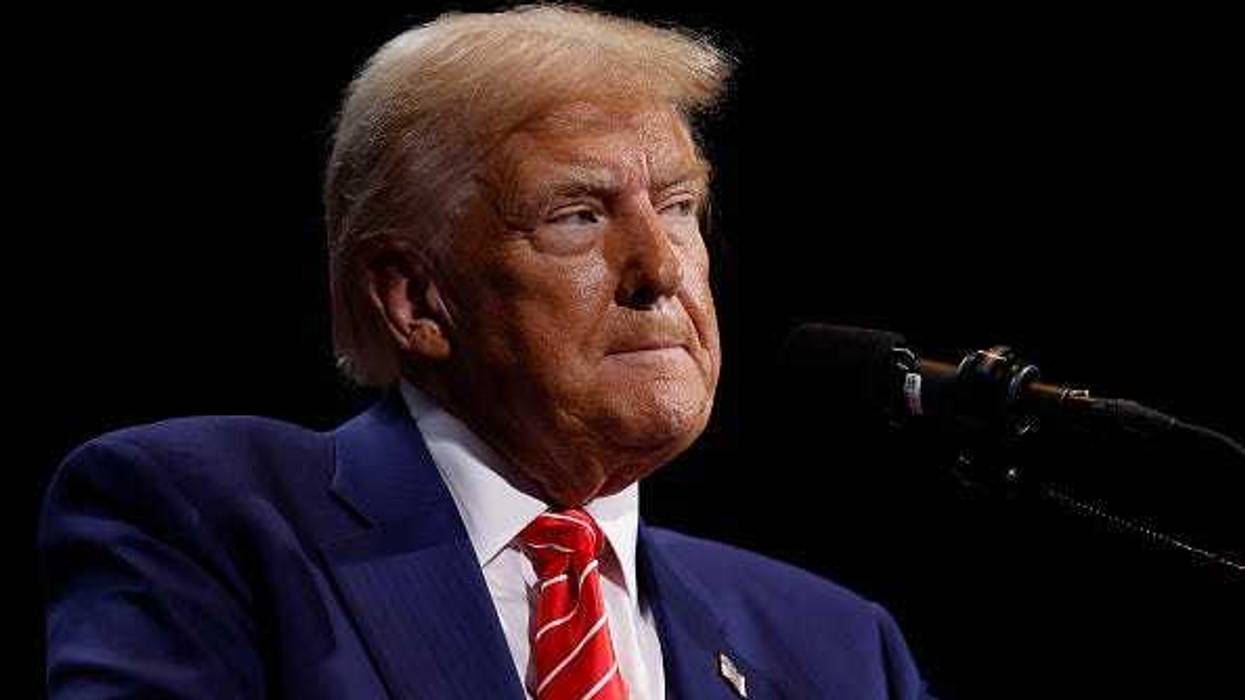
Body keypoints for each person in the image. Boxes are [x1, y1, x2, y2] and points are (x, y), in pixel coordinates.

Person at [39, 6, 934, 698]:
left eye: (675, 207)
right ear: (414, 298)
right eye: (576, 216)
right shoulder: (211, 521)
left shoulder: (837, 649)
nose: (660, 269)